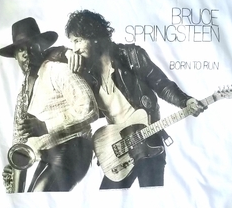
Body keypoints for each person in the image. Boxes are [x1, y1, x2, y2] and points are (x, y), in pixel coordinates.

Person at [64, 10, 206, 189]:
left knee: (152, 199)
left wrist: (185, 101)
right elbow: (49, 58)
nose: (75, 48)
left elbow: (161, 84)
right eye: (72, 42)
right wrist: (65, 53)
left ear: (93, 36)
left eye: (77, 40)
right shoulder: (87, 71)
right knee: (107, 201)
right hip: (120, 150)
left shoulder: (132, 56)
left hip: (149, 142)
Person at [0, 17, 98, 192]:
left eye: (31, 46)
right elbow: (22, 140)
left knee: (37, 199)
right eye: (20, 50)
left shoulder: (57, 70)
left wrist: (45, 126)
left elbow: (89, 109)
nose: (26, 53)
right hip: (47, 154)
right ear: (15, 57)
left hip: (74, 148)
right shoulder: (23, 93)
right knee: (28, 199)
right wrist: (14, 166)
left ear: (42, 47)